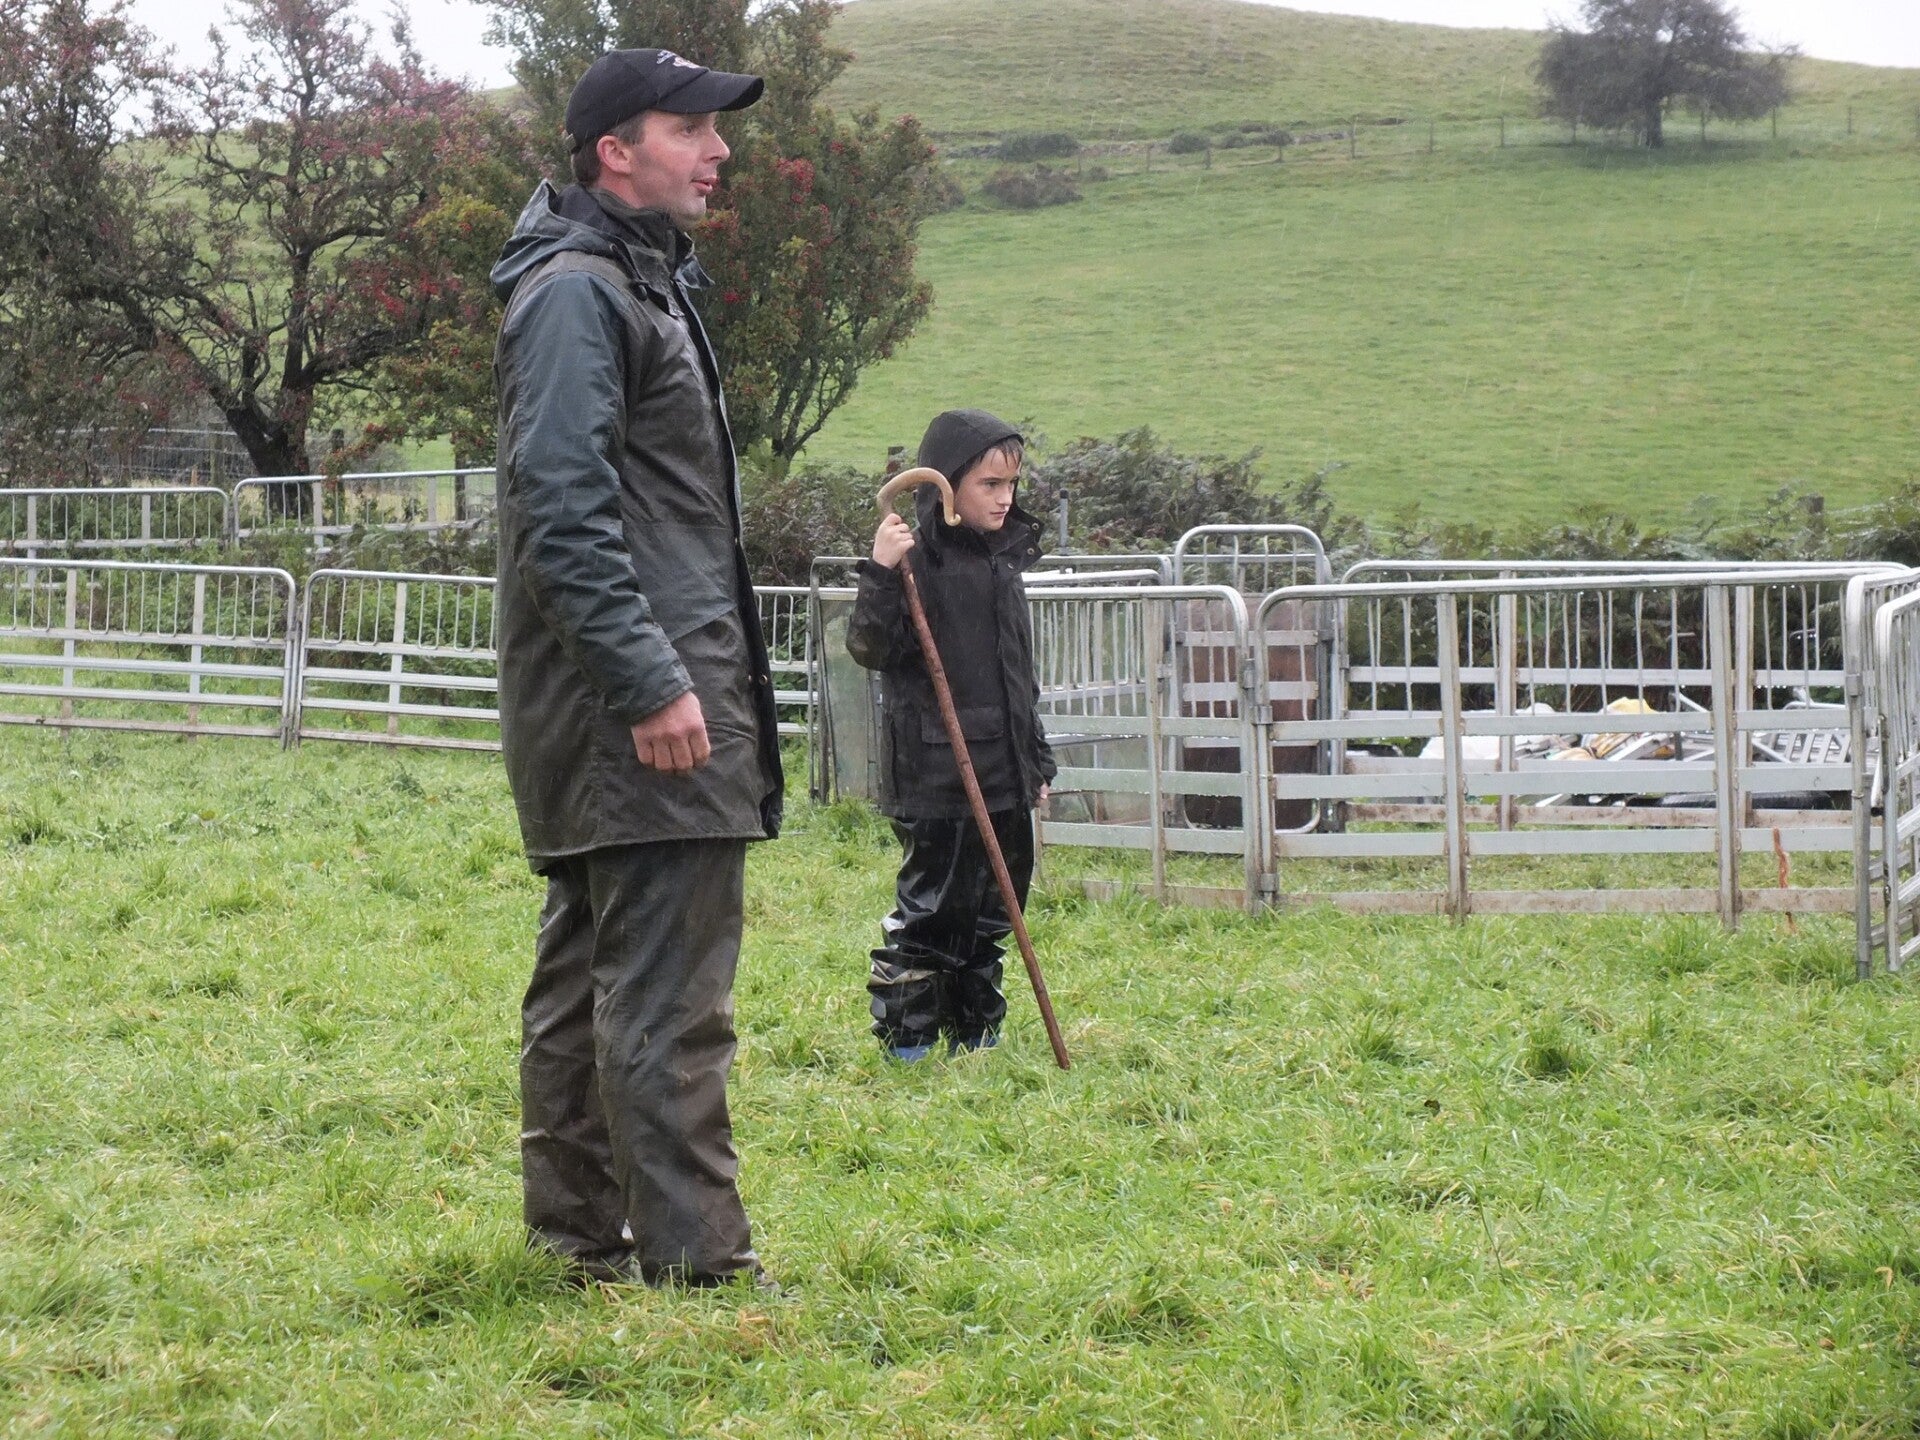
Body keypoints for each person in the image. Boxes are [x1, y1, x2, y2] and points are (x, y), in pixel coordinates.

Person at [489, 48, 784, 1288]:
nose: (719, 152)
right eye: (689, 130)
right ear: (616, 151)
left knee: (586, 981)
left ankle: (578, 1249)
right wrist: (653, 680)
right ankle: (699, 1273)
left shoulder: (631, 283)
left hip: (610, 700)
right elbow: (562, 514)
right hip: (644, 707)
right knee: (669, 1000)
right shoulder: (581, 293)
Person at [845, 410, 1057, 1061]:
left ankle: (976, 1030)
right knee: (934, 909)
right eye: (990, 484)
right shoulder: (915, 563)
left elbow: (1018, 676)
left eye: (1011, 484)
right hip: (937, 771)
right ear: (945, 484)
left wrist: (1035, 760)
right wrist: (882, 571)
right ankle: (908, 1037)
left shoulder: (1002, 562)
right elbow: (870, 647)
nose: (1005, 498)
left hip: (1004, 769)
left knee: (995, 908)